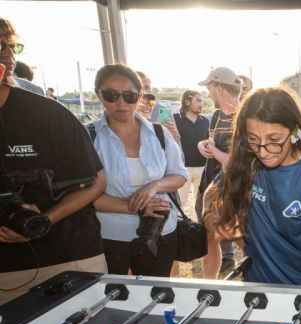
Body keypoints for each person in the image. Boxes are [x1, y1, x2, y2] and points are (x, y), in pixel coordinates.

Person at [0, 17, 107, 303]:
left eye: (10, 47)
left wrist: (45, 219)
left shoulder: (48, 115)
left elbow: (96, 182)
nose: (8, 56)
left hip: (68, 260)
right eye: (1, 48)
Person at [207, 87, 301, 285]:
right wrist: (215, 219)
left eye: (274, 140)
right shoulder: (247, 162)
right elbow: (211, 194)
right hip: (256, 282)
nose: (263, 151)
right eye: (253, 139)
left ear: (295, 131)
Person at [90, 64, 188, 277]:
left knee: (157, 295)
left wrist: (155, 185)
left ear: (140, 95)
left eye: (129, 96)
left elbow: (180, 175)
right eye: (111, 95)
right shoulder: (89, 138)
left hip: (160, 232)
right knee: (113, 301)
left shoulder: (160, 134)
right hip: (110, 237)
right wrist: (134, 206)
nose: (121, 103)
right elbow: (84, 195)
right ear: (98, 94)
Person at [196, 66, 241, 279]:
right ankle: (209, 283)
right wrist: (203, 146)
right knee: (209, 237)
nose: (208, 93)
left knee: (241, 236)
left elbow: (236, 162)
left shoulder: (242, 117)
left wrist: (214, 151)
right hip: (211, 183)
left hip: (233, 185)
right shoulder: (215, 115)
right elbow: (212, 144)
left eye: (210, 88)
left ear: (219, 87)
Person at [173, 90, 209, 220]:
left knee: (200, 205)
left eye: (202, 101)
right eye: (198, 100)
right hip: (182, 169)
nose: (202, 104)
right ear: (187, 101)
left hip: (202, 169)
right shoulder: (175, 119)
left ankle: (198, 233)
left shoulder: (205, 121)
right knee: (179, 204)